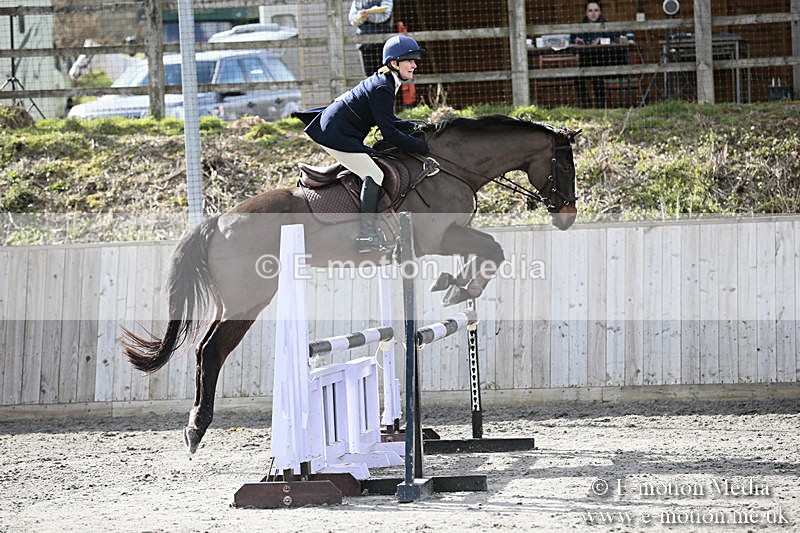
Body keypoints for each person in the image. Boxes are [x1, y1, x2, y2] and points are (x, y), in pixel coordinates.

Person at [295, 35, 428, 252]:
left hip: (339, 129)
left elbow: (389, 121)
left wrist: (416, 128)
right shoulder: (383, 87)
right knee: (374, 174)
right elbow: (389, 133)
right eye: (409, 60)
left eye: (415, 60)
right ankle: (366, 236)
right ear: (394, 63)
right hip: (335, 135)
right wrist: (421, 147)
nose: (414, 64)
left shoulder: (386, 81)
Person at [570, 1, 620, 108]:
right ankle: (586, 106)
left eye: (596, 10)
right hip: (585, 60)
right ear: (586, 12)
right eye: (590, 11)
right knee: (578, 79)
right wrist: (577, 39)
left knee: (597, 77)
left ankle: (600, 107)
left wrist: (601, 40)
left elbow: (616, 37)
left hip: (604, 60)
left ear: (600, 12)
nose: (593, 14)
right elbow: (572, 37)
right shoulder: (581, 26)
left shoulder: (606, 24)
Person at [349, 0, 394, 76]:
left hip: (383, 43)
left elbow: (385, 15)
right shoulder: (357, 1)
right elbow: (352, 19)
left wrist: (368, 17)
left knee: (385, 75)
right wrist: (359, 17)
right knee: (369, 76)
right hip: (364, 42)